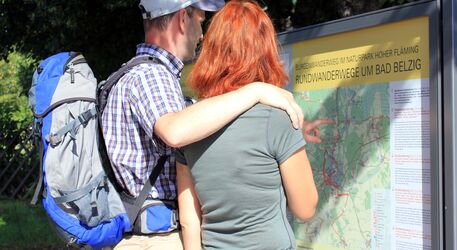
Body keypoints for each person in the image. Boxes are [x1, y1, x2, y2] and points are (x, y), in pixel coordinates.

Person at [101, 0, 304, 249]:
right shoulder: (151, 75)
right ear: (182, 19)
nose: (203, 32)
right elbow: (175, 132)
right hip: (157, 240)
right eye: (200, 18)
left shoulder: (140, 74)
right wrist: (255, 90)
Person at [175, 1, 318, 249]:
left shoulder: (191, 124)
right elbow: (305, 208)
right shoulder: (278, 119)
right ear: (266, 51)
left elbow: (189, 219)